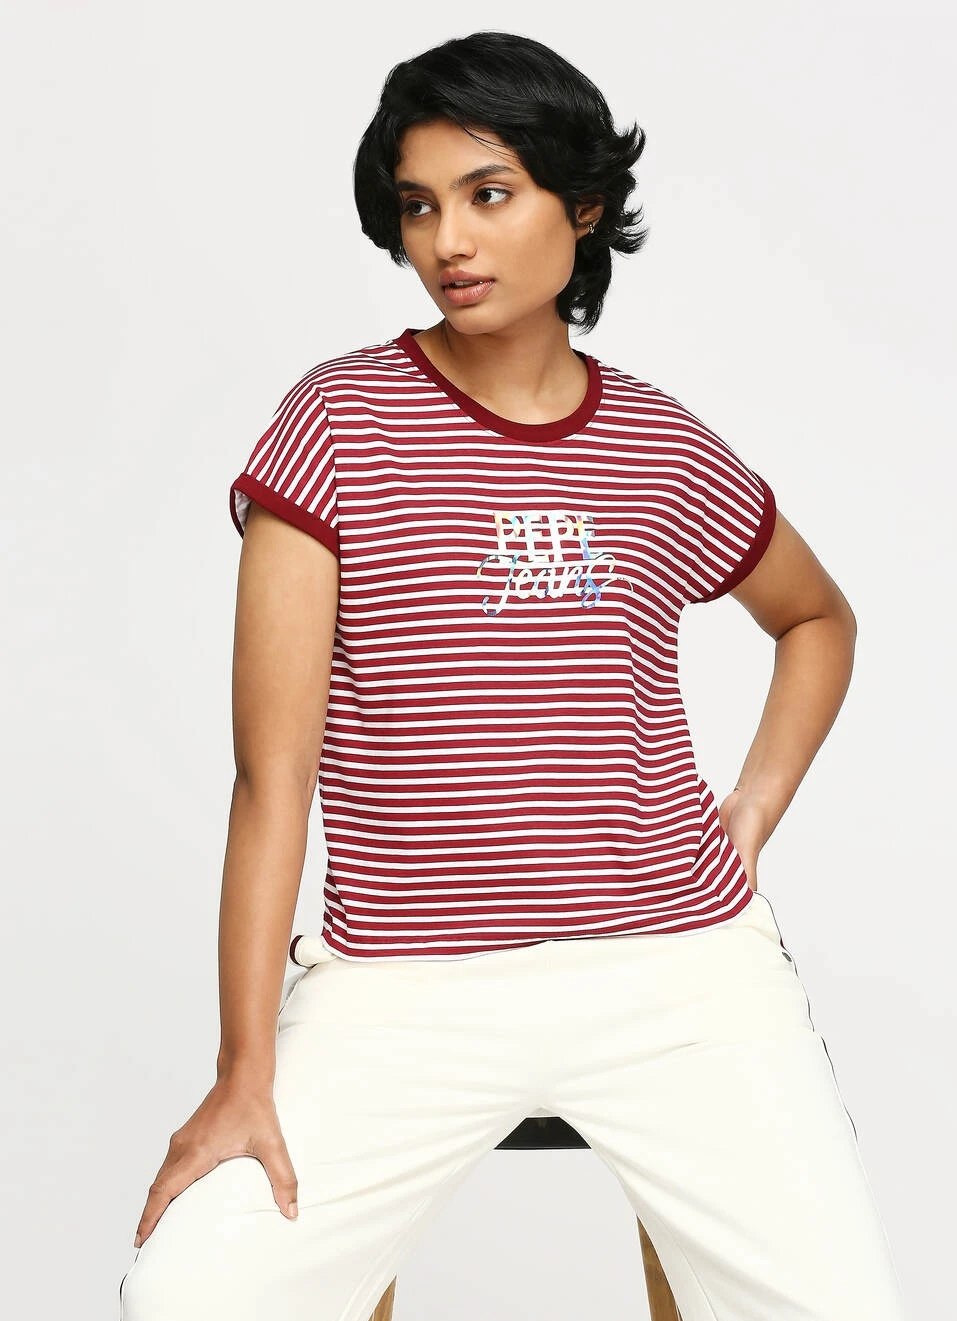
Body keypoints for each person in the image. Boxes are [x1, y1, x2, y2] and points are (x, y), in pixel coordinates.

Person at [118, 30, 908, 1321]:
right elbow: (271, 782)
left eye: (490, 194)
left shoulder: (657, 439)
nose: (451, 242)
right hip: (405, 983)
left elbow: (816, 618)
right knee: (191, 1303)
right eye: (420, 207)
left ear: (582, 206)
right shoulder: (336, 424)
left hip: (673, 970)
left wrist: (749, 816)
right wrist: (243, 1070)